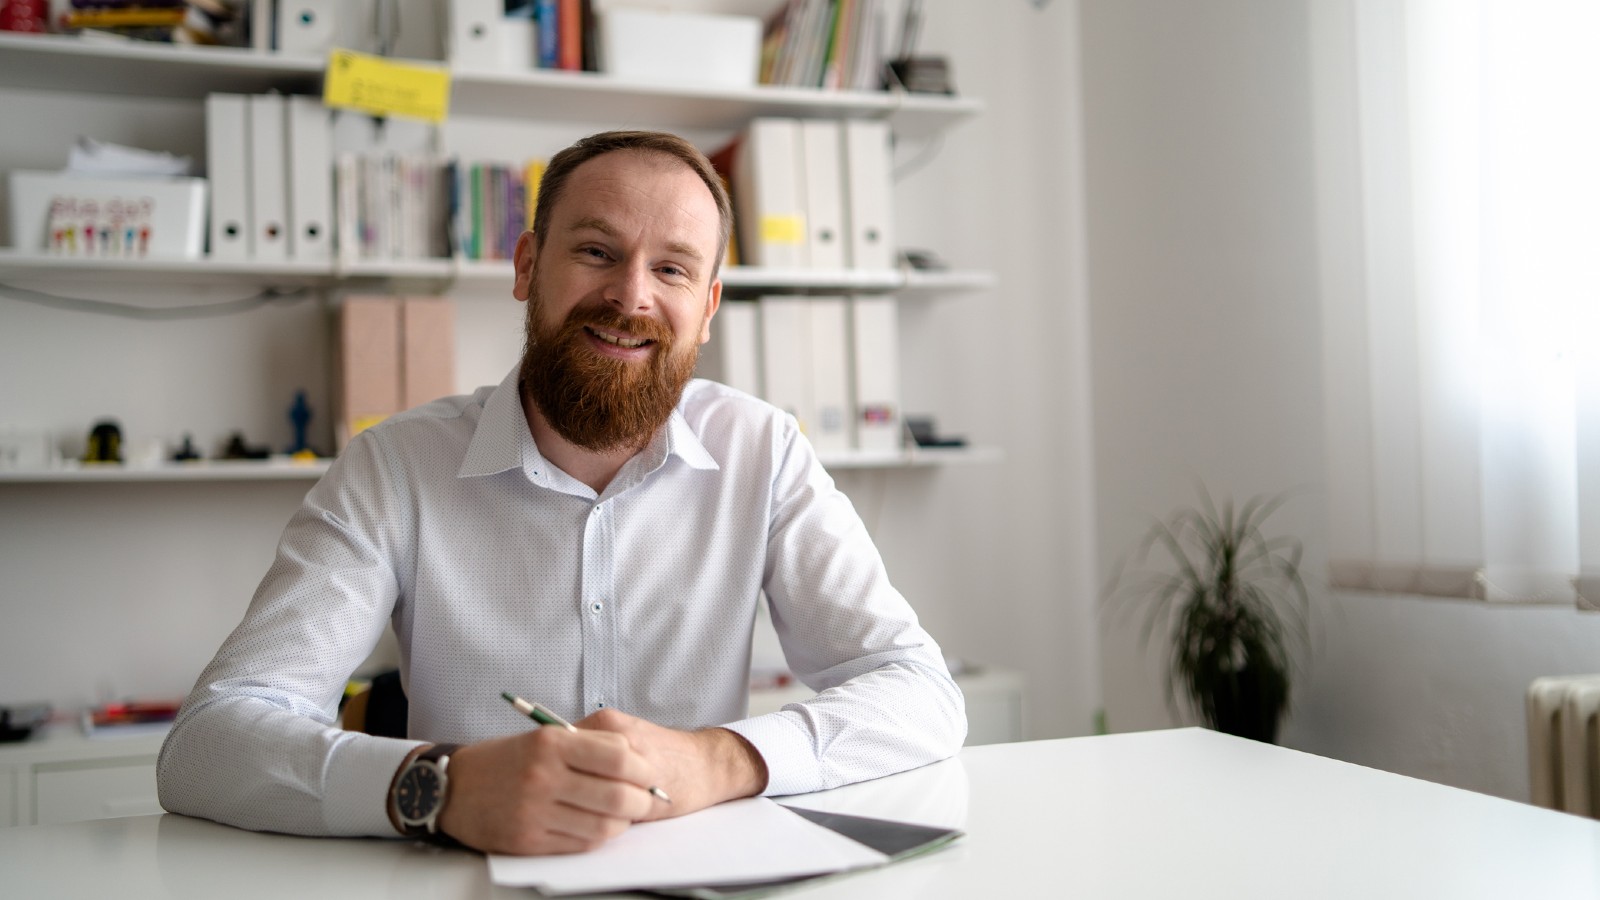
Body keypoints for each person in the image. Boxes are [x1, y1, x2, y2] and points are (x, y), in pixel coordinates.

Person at [156, 130, 965, 856]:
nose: (632, 296)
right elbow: (207, 745)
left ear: (708, 307)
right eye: (597, 252)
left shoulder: (765, 451)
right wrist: (444, 787)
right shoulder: (392, 468)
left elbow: (919, 692)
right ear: (526, 267)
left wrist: (719, 759)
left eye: (673, 268)